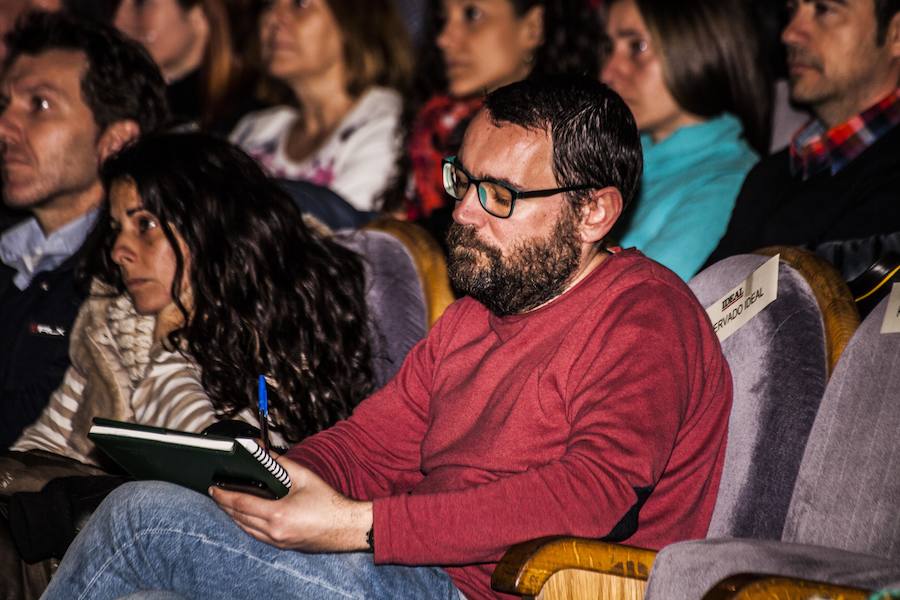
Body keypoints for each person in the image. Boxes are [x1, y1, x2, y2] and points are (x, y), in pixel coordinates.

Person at [44, 76, 733, 600]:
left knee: (142, 521)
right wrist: (277, 481)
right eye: (462, 180)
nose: (462, 212)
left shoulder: (646, 318)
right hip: (415, 566)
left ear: (593, 212)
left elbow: (590, 496)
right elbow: (374, 445)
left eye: (498, 194)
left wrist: (360, 526)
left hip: (491, 591)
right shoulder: (477, 313)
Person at [12, 132, 382, 466]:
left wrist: (166, 343)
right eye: (116, 229)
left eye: (145, 225)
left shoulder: (278, 329)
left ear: (211, 228)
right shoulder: (111, 319)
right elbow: (40, 448)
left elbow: (221, 469)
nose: (118, 250)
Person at [0, 10, 168, 449]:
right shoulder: (10, 254)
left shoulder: (133, 277)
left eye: (40, 105)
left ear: (116, 142)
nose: (4, 127)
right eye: (4, 105)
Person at [707, 0, 900, 283]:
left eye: (824, 9)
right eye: (791, 10)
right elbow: (700, 302)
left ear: (896, 34)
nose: (789, 33)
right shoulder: (770, 175)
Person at [384, 0, 603, 246]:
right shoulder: (436, 122)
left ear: (533, 26)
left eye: (472, 15)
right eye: (444, 19)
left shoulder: (571, 137)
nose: (444, 38)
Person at [601, 0, 770, 280]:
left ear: (697, 46)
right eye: (610, 48)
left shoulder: (730, 181)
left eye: (637, 47)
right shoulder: (617, 153)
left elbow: (643, 301)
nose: (609, 71)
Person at [229, 0, 413, 212]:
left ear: (353, 19)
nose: (273, 18)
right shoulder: (256, 128)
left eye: (301, 4)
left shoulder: (387, 122)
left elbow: (347, 234)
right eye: (269, 4)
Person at [113, 0, 262, 134]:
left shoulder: (250, 122)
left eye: (141, 3)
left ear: (199, 14)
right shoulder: (116, 97)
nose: (118, 21)